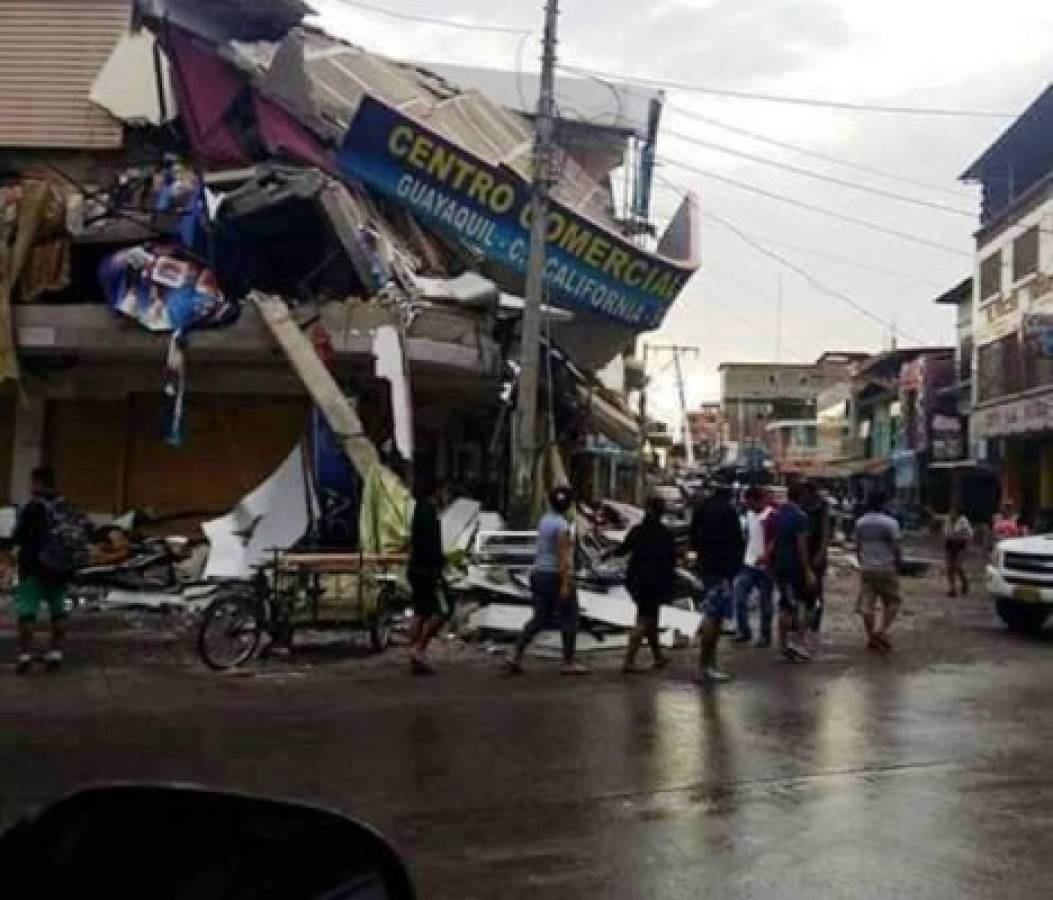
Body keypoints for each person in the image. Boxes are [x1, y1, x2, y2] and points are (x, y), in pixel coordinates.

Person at [506, 486, 587, 676]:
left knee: (539, 617)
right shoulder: (562, 526)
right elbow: (563, 556)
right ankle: (568, 662)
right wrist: (566, 583)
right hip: (555, 576)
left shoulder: (545, 521)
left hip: (538, 574)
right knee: (570, 617)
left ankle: (515, 654)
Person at [8, 467, 68, 674]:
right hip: (59, 568)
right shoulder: (65, 506)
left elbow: (18, 536)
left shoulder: (32, 507)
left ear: (39, 483)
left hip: (33, 567)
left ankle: (25, 655)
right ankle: (56, 653)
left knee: (27, 612)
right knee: (58, 612)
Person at [605, 496, 675, 673]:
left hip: (638, 580)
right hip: (652, 581)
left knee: (651, 618)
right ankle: (629, 661)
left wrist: (609, 553)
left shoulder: (638, 530)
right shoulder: (664, 533)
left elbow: (623, 550)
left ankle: (657, 656)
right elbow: (671, 561)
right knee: (645, 620)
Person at [690, 483, 745, 683]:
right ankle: (706, 665)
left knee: (712, 615)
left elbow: (693, 538)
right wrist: (734, 568)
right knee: (714, 617)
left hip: (706, 568)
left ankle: (708, 664)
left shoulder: (702, 508)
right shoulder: (729, 512)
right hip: (721, 571)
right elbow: (738, 541)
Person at [406, 475, 449, 675]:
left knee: (420, 611)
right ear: (437, 492)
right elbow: (432, 545)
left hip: (415, 568)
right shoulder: (430, 513)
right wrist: (440, 564)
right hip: (427, 570)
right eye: (444, 492)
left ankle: (414, 651)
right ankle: (419, 649)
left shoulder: (418, 510)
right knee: (441, 611)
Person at [772, 481, 817, 662]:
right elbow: (801, 546)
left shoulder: (780, 513)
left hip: (781, 565)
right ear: (802, 496)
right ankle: (797, 642)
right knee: (810, 603)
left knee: (785, 605)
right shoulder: (800, 517)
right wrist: (808, 570)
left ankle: (783, 645)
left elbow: (774, 540)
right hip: (794, 567)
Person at [855, 492, 903, 653]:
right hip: (886, 568)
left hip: (867, 568)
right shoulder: (890, 523)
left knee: (867, 606)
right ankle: (881, 631)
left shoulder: (860, 523)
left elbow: (858, 547)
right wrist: (899, 563)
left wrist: (862, 563)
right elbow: (896, 547)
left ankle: (871, 637)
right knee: (893, 601)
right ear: (883, 505)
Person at [732, 486, 775, 647]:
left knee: (766, 602)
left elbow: (775, 539)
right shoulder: (749, 515)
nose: (748, 506)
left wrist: (767, 555)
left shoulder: (770, 516)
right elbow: (748, 536)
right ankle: (744, 631)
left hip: (765, 566)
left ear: (758, 500)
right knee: (740, 597)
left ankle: (765, 635)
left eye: (750, 503)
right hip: (748, 563)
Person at [801, 481, 832, 639]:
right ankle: (802, 622)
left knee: (817, 589)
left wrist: (821, 553)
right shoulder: (800, 507)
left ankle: (815, 624)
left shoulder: (822, 508)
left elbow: (826, 532)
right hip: (802, 553)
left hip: (816, 553)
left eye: (806, 493)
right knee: (802, 589)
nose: (804, 496)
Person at [943, 506, 973, 598]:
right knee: (949, 567)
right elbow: (945, 532)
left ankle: (964, 582)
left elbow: (970, 534)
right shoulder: (947, 520)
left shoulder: (963, 521)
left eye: (954, 512)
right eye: (951, 512)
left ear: (958, 513)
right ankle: (952, 588)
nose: (952, 514)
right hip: (949, 545)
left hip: (960, 546)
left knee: (958, 566)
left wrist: (961, 538)